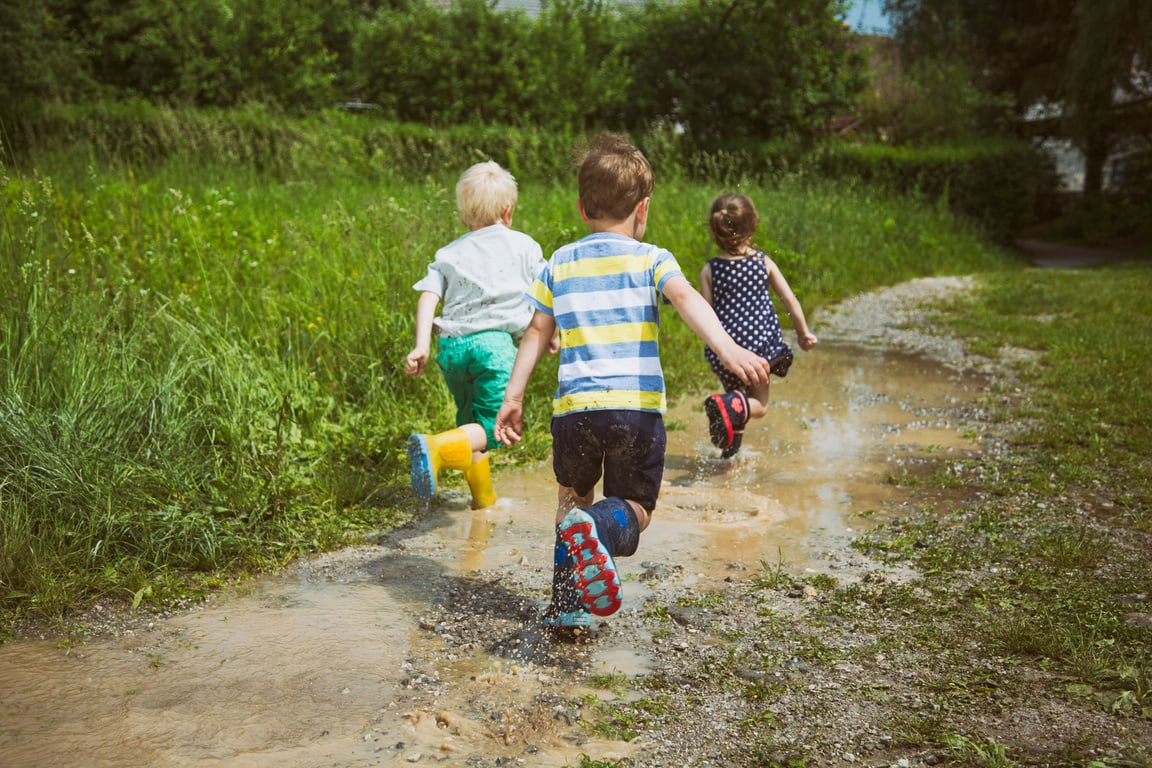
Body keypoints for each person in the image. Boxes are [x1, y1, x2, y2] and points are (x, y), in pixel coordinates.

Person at [494, 133, 772, 629]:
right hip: (635, 410)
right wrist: (729, 348)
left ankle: (567, 606)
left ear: (582, 209)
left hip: (574, 412)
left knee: (570, 500)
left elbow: (537, 330)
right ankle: (601, 530)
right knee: (636, 507)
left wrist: (513, 396)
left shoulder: (558, 262)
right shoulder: (653, 258)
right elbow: (686, 299)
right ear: (642, 209)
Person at [405, 161, 546, 510]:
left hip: (451, 348)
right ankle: (435, 447)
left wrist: (422, 344)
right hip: (493, 348)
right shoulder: (524, 246)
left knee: (471, 427)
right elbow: (547, 294)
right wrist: (551, 332)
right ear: (508, 210)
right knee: (493, 427)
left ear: (463, 213)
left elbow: (428, 296)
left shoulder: (450, 252)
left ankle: (484, 501)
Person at [700, 192, 818, 459]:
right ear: (753, 224)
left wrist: (716, 349)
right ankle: (725, 407)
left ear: (714, 230)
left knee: (736, 402)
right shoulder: (762, 262)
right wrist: (803, 332)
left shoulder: (710, 269)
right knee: (759, 406)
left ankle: (728, 457)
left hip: (727, 353)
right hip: (759, 351)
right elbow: (788, 299)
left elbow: (705, 314)